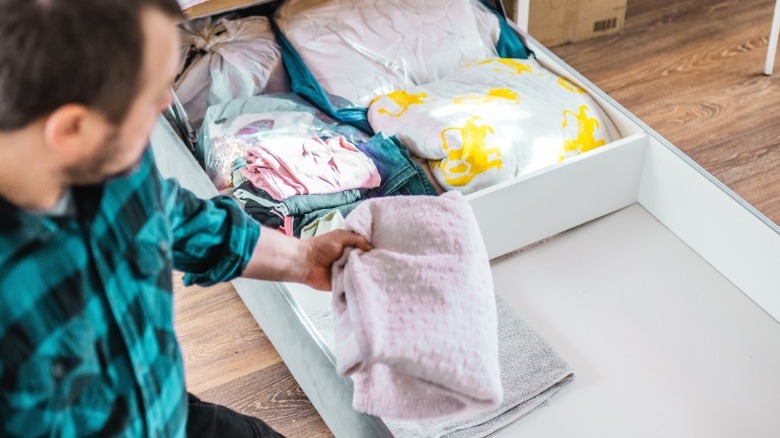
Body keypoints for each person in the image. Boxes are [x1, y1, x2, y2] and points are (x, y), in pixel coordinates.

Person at [0, 0, 371, 436]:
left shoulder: (109, 160)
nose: (165, 102)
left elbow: (171, 215)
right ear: (71, 130)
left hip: (161, 410)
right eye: (149, 92)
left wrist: (303, 259)